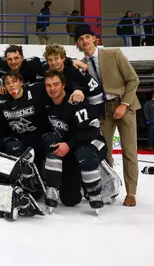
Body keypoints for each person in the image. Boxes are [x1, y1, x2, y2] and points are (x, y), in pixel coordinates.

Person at [74, 24, 140, 207]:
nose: (85, 41)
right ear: (78, 44)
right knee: (104, 151)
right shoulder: (81, 64)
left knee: (129, 150)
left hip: (123, 104)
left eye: (87, 37)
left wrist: (124, 105)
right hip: (103, 110)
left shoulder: (113, 54)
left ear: (95, 38)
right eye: (80, 39)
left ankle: (131, 193)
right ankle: (110, 189)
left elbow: (134, 80)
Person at [43, 70, 106, 212]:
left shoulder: (76, 102)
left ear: (63, 85)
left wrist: (69, 144)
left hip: (91, 144)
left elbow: (92, 131)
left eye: (56, 84)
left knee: (84, 154)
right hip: (70, 149)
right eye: (48, 85)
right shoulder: (47, 104)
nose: (52, 89)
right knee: (70, 200)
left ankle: (95, 192)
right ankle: (55, 188)